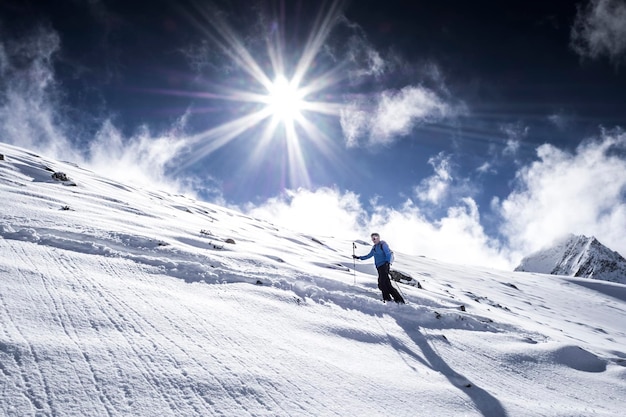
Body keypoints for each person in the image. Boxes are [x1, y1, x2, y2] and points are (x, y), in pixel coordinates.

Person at [353, 233, 405, 304]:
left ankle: (388, 299)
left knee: (382, 283)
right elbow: (369, 255)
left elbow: (388, 253)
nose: (374, 240)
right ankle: (399, 300)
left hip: (384, 266)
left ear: (378, 238)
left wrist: (387, 263)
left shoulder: (383, 244)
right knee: (387, 284)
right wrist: (359, 257)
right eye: (372, 238)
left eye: (375, 238)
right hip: (379, 267)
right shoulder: (374, 248)